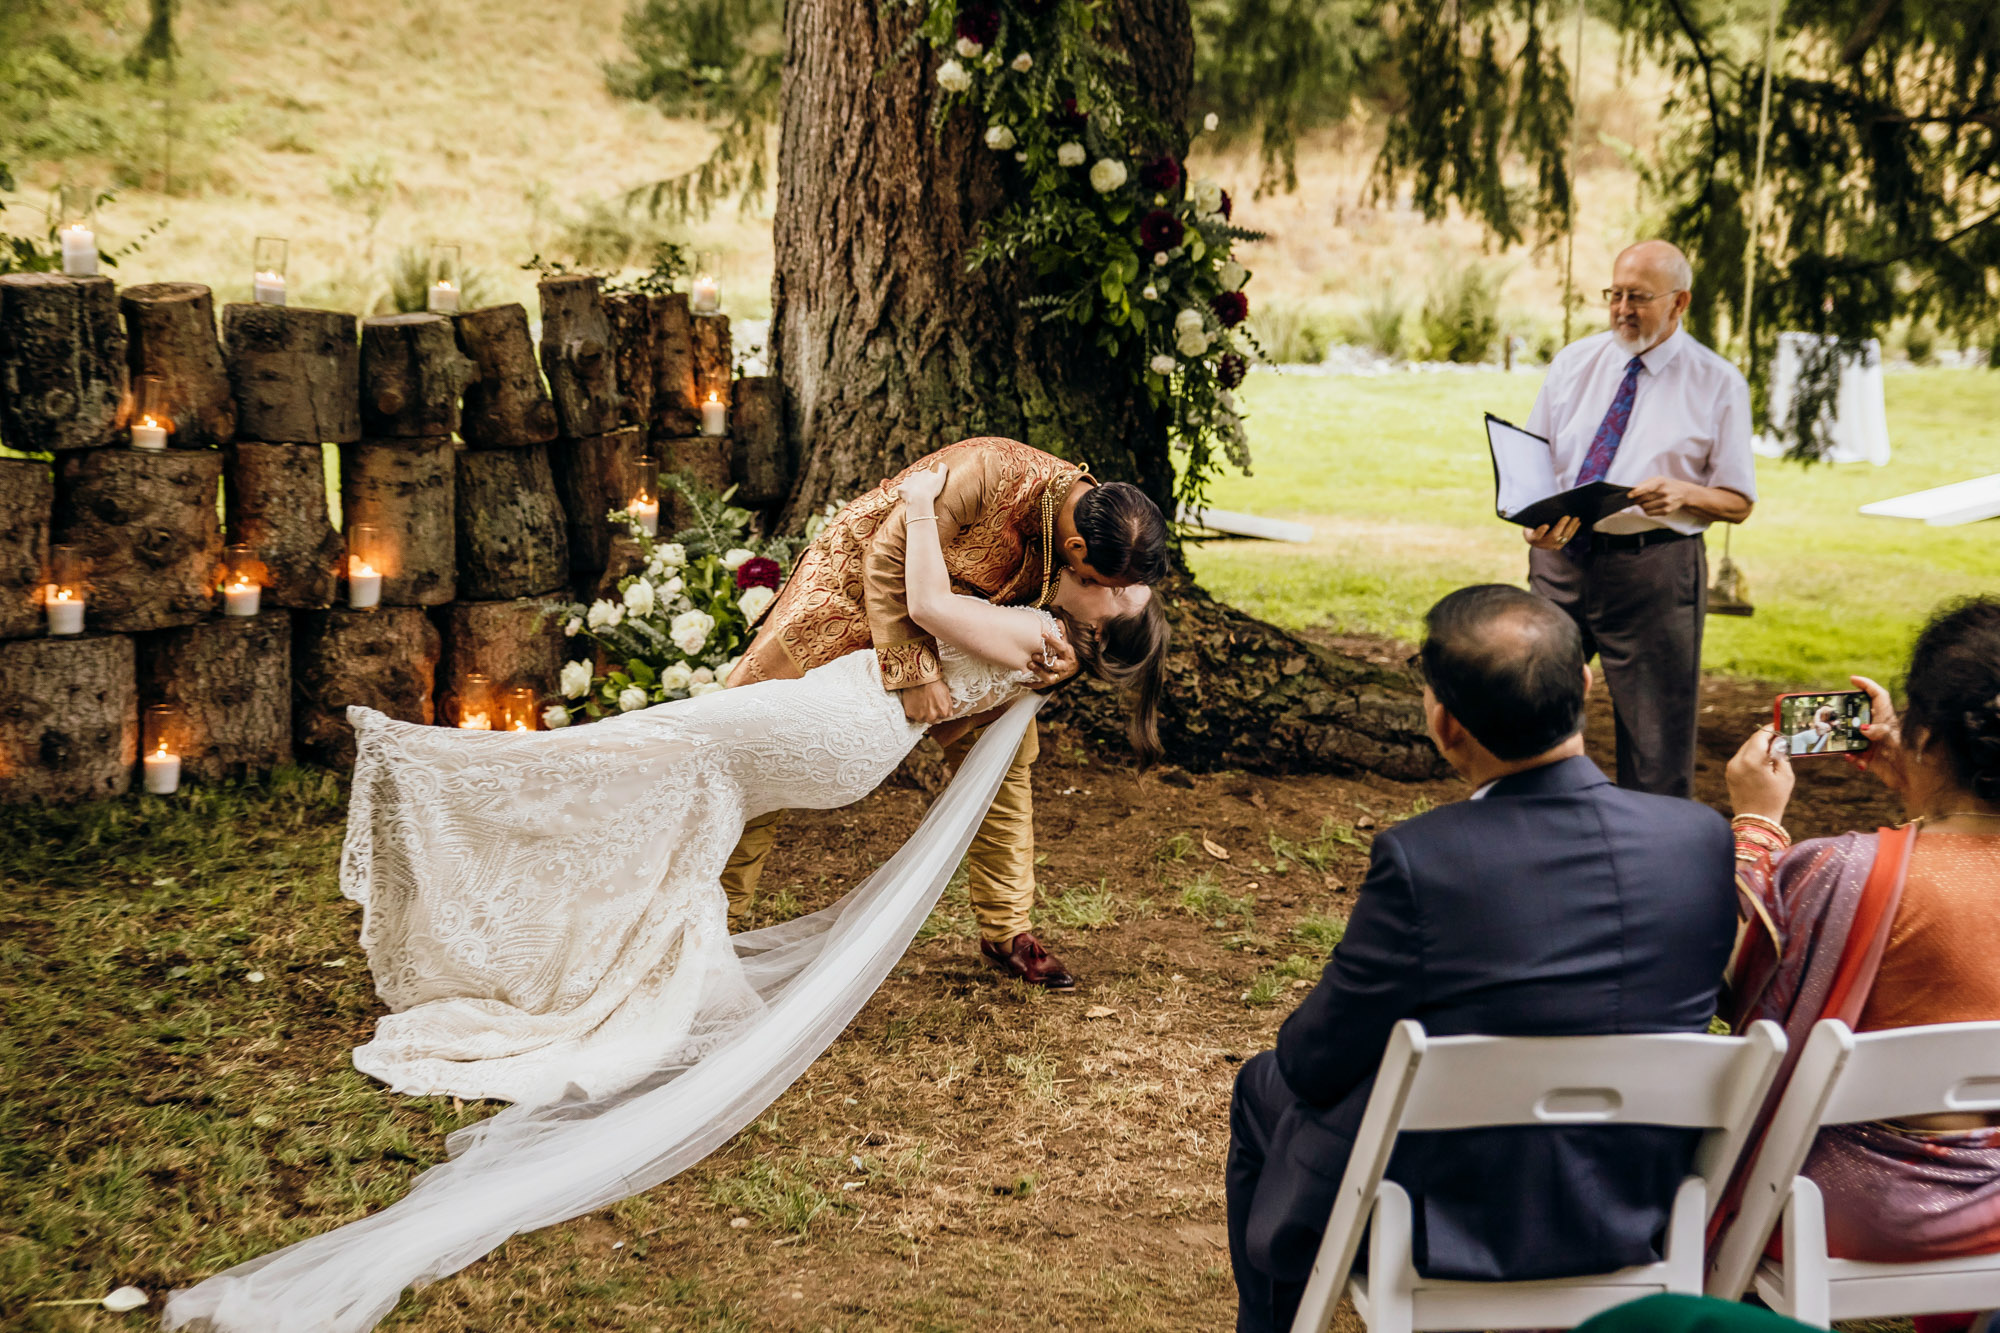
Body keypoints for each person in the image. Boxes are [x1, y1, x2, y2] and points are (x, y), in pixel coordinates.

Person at [162, 464, 1166, 1333]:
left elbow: (932, 606)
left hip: (835, 721)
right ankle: (598, 924)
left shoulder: (1039, 634)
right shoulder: (1046, 648)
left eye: (1105, 603)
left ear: (1101, 627)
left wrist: (911, 505)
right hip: (845, 739)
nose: (1092, 599)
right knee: (649, 774)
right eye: (1102, 589)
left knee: (617, 753)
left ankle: (426, 772)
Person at [1225, 584, 1737, 1333]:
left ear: (1444, 722)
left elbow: (1314, 1060)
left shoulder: (1424, 859)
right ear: (1586, 685)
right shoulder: (1698, 837)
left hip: (1458, 1218)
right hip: (1643, 1201)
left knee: (1265, 1084)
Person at [723, 435, 1171, 989]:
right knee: (759, 748)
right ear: (1078, 550)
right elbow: (887, 558)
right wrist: (914, 670)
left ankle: (1009, 932)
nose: (1115, 593)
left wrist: (1070, 654)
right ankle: (717, 927)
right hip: (851, 597)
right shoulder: (987, 472)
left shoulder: (1107, 530)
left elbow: (1094, 610)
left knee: (1002, 764)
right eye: (1108, 586)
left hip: (963, 634)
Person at [1722, 596, 2000, 1279]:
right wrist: (1924, 793)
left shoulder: (1841, 869)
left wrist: (1756, 823)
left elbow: (1731, 984)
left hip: (1845, 1203)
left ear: (1929, 739)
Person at [1523, 239, 1758, 798]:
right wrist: (1531, 517)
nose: (1623, 309)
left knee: (1656, 745)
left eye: (1640, 298)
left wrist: (1684, 494)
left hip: (1654, 572)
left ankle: (1655, 864)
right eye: (1615, 294)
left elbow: (1739, 502)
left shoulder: (1718, 383)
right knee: (1530, 717)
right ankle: (1532, 839)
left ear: (1680, 303)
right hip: (1560, 563)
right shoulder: (1575, 363)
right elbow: (1533, 457)